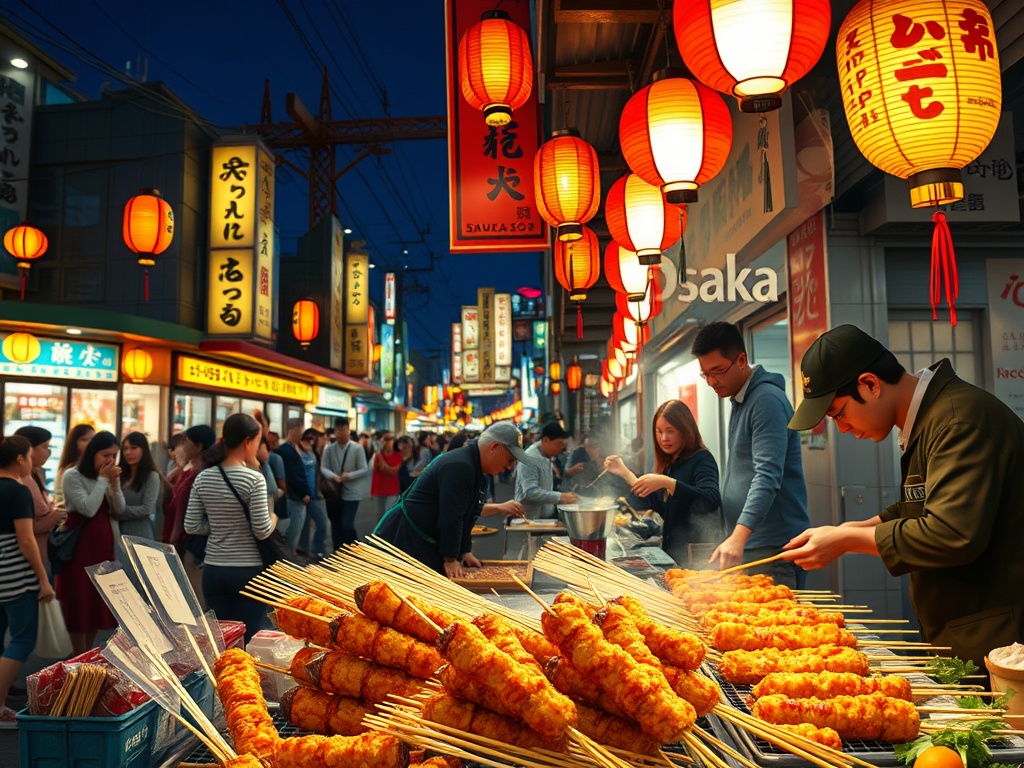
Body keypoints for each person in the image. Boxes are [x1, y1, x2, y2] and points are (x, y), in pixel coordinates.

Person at [783, 324, 1024, 669]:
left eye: (838, 414)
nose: (843, 428)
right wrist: (858, 526)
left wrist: (846, 539)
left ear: (870, 383)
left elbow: (951, 533)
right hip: (968, 628)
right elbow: (922, 503)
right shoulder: (932, 418)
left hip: (1001, 640)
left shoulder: (958, 422)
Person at [691, 321, 809, 588]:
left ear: (741, 360)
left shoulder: (766, 400)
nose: (711, 382)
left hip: (773, 547)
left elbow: (767, 475)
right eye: (705, 374)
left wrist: (739, 535)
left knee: (776, 627)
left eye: (718, 372)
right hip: (754, 542)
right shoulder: (741, 398)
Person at [374, 421, 527, 578]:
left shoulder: (475, 468)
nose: (510, 467)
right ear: (494, 447)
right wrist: (451, 558)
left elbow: (468, 512)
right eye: (510, 460)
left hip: (421, 540)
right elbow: (452, 516)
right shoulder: (460, 465)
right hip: (404, 540)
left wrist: (464, 551)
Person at [184, 413, 276, 642]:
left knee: (222, 639)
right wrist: (273, 517)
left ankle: (222, 676)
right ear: (248, 441)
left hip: (214, 569)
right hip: (248, 571)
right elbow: (262, 529)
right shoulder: (254, 479)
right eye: (257, 441)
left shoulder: (203, 477)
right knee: (246, 639)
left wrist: (218, 526)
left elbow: (192, 525)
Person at [605, 400, 724, 566]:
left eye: (670, 431)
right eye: (658, 431)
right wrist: (625, 473)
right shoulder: (672, 463)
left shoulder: (702, 458)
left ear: (685, 431)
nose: (663, 438)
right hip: (674, 555)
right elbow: (664, 509)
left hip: (697, 559)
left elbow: (710, 499)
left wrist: (667, 482)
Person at [0, 436, 55, 727]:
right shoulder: (18, 492)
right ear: (20, 459)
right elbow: (26, 538)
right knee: (22, 638)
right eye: (31, 456)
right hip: (15, 574)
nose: (33, 462)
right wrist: (43, 579)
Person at [58, 431, 124, 655]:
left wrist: (114, 485)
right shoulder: (72, 475)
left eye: (114, 456)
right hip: (78, 550)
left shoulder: (106, 477)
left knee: (97, 603)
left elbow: (119, 509)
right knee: (79, 602)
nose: (110, 461)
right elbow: (88, 508)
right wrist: (103, 481)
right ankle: (79, 654)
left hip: (103, 548)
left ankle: (89, 652)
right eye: (106, 455)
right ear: (93, 453)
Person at [164, 424, 217, 611]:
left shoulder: (201, 475)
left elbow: (184, 512)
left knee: (195, 602)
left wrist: (173, 540)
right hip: (182, 541)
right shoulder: (188, 471)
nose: (182, 445)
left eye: (186, 441)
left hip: (191, 545)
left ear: (199, 446)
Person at [13, 426, 65, 577]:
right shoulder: (21, 481)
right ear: (28, 450)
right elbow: (25, 528)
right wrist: (53, 517)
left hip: (43, 551)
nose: (48, 452)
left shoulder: (35, 474)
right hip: (29, 560)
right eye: (44, 447)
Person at [321, 417, 369, 548]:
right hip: (334, 492)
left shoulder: (357, 448)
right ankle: (338, 552)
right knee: (335, 524)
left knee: (347, 524)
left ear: (349, 430)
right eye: (337, 430)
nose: (340, 433)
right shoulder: (329, 449)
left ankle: (354, 548)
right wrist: (332, 476)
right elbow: (323, 467)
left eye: (343, 430)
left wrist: (349, 475)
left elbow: (364, 469)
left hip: (352, 492)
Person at [514, 421, 577, 519]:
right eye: (559, 444)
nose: (561, 448)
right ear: (546, 440)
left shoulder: (546, 455)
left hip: (544, 516)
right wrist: (560, 497)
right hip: (530, 519)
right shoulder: (530, 458)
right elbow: (530, 492)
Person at [116, 432, 166, 543]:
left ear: (143, 450)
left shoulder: (151, 476)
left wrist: (119, 513)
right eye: (125, 449)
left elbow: (147, 508)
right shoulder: (118, 474)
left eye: (134, 448)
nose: (129, 452)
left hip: (139, 533)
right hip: (117, 532)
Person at [275, 419, 314, 554]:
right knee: (292, 533)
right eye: (300, 431)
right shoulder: (286, 450)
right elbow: (292, 476)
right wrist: (304, 494)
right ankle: (288, 562)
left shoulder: (291, 448)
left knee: (293, 533)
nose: (301, 435)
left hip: (297, 496)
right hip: (295, 497)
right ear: (292, 430)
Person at [296, 428, 330, 559]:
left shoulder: (314, 453)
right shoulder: (298, 452)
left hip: (313, 494)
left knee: (308, 523)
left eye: (314, 438)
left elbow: (317, 474)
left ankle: (304, 548)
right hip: (305, 494)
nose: (311, 441)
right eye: (308, 438)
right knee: (321, 523)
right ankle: (317, 549)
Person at [53, 423, 95, 507]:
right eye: (84, 440)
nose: (90, 443)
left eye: (93, 439)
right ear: (74, 443)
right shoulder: (72, 470)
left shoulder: (89, 466)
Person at [370, 433, 402, 521]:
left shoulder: (398, 454)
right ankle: (380, 533)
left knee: (389, 513)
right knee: (379, 514)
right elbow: (377, 468)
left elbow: (394, 471)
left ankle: (389, 532)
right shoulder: (378, 455)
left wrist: (384, 464)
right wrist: (380, 455)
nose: (388, 443)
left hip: (392, 488)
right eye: (386, 441)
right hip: (379, 488)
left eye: (390, 440)